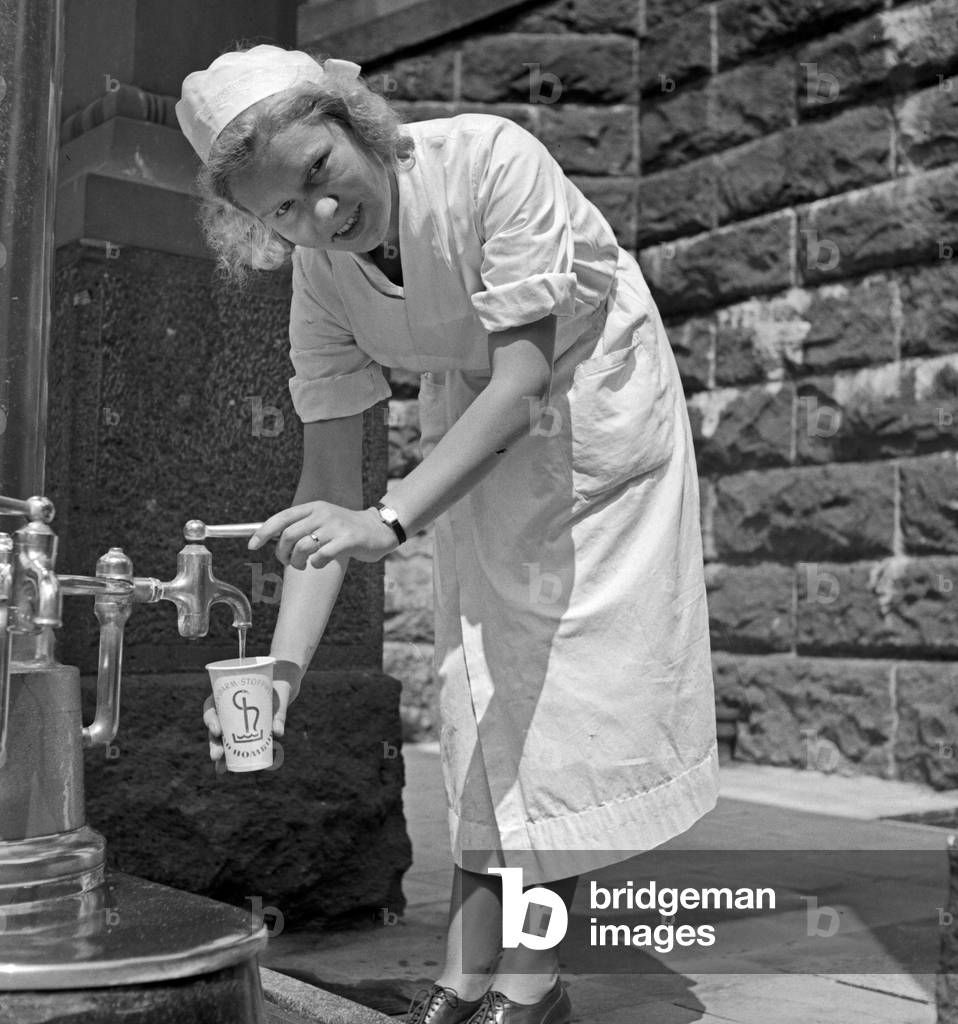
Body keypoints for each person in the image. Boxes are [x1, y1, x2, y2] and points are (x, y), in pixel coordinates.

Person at [178, 44, 719, 1024]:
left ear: (355, 124)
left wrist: (388, 519)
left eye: (319, 173)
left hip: (588, 408)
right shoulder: (320, 278)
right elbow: (327, 488)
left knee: (557, 707)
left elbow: (522, 381)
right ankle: (469, 970)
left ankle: (532, 980)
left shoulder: (489, 159)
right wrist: (284, 677)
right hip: (470, 427)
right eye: (285, 212)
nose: (323, 216)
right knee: (478, 693)